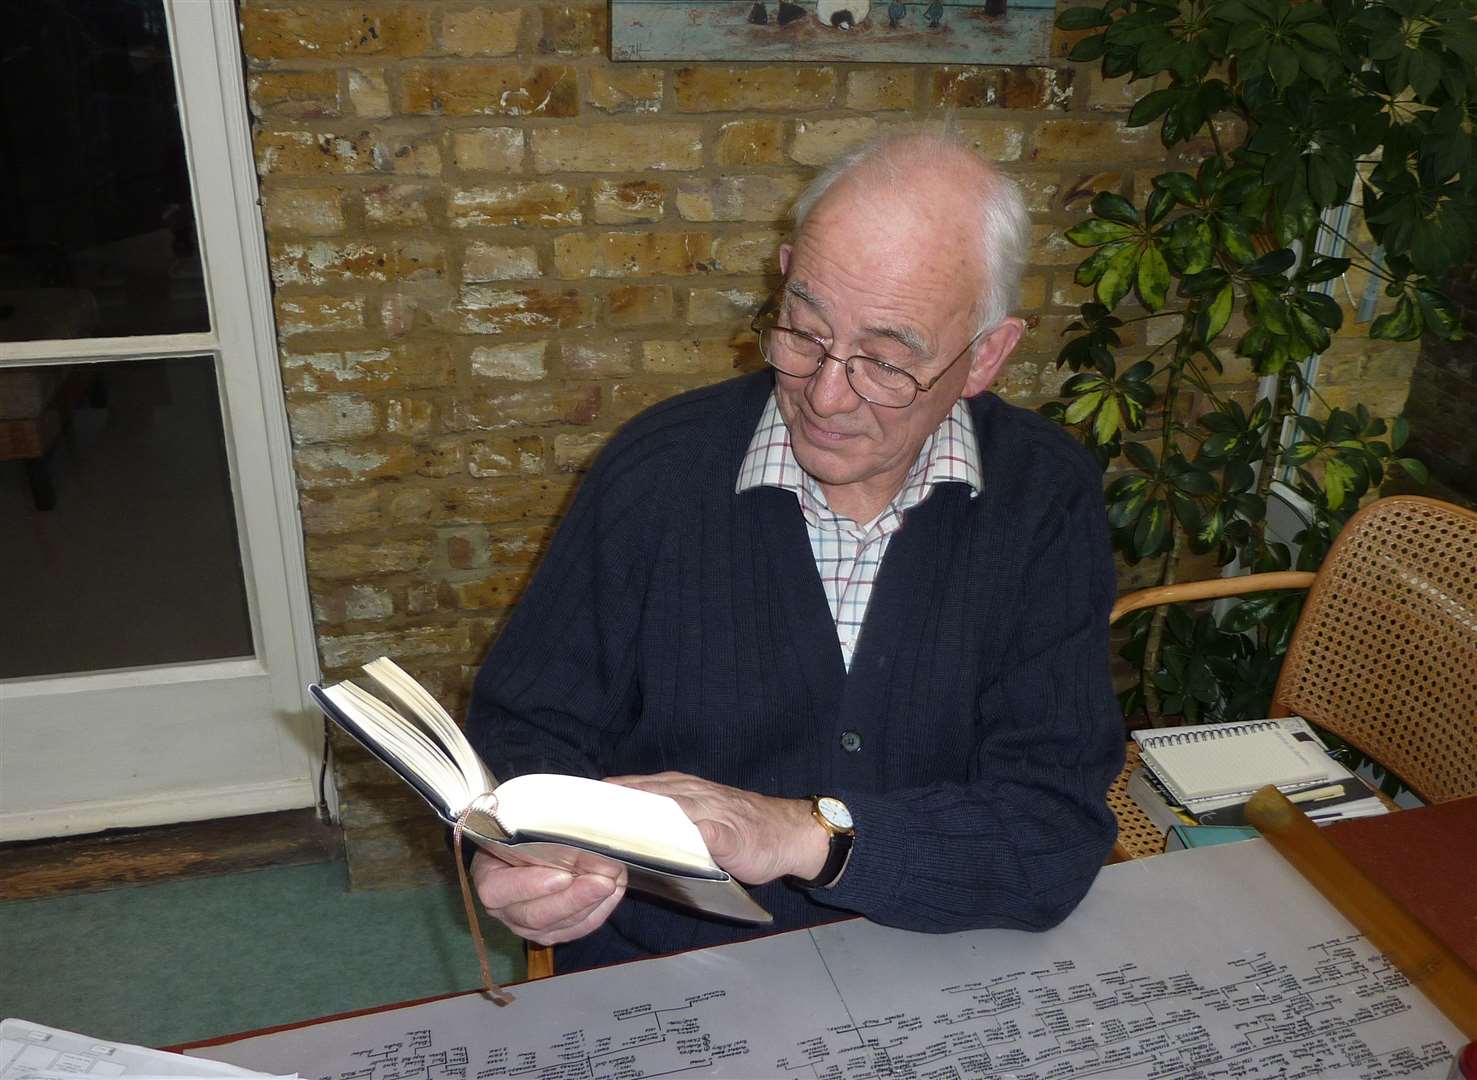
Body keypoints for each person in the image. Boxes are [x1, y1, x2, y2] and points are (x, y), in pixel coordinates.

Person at [465, 128, 1125, 973]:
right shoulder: (655, 471)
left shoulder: (1042, 497)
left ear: (984, 357)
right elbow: (529, 725)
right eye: (804, 332)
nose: (824, 394)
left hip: (938, 956)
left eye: (887, 362)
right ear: (782, 276)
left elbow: (1049, 834)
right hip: (676, 964)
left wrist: (804, 833)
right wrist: (528, 846)